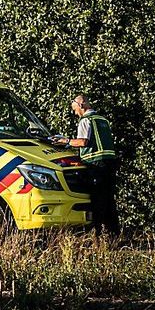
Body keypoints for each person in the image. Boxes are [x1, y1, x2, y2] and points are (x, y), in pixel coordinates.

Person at [51, 95, 119, 236]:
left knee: (97, 200)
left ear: (81, 106)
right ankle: (114, 233)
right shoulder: (103, 120)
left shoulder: (85, 120)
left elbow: (83, 142)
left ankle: (99, 234)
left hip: (95, 164)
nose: (75, 113)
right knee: (109, 200)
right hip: (110, 163)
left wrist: (66, 141)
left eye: (75, 110)